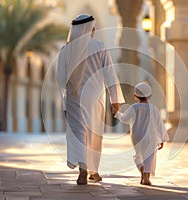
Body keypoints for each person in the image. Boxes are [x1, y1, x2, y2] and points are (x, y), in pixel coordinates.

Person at [56, 14, 125, 185]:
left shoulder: (66, 49)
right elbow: (110, 73)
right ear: (89, 29)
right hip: (95, 97)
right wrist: (115, 99)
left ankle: (83, 169)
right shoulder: (99, 46)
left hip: (74, 96)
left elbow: (60, 78)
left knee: (78, 132)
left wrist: (65, 96)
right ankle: (94, 171)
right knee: (94, 133)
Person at [114, 82, 169, 185]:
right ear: (150, 96)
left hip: (137, 137)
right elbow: (159, 124)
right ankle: (146, 177)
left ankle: (142, 172)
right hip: (151, 137)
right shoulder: (154, 109)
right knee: (149, 156)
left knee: (139, 155)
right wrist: (162, 139)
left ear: (135, 96)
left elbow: (125, 119)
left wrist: (117, 113)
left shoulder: (134, 107)